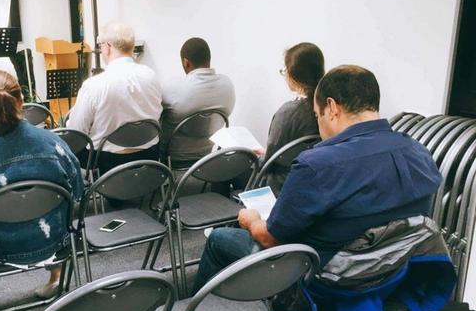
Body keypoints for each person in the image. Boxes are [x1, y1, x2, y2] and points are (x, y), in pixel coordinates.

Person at [194, 65, 442, 291]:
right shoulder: (418, 152)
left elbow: (270, 238)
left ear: (332, 108)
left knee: (219, 238)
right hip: (395, 276)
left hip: (327, 280)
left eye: (317, 116)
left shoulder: (318, 164)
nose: (319, 125)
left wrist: (252, 220)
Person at [0, 70, 84, 311]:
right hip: (51, 241)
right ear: (21, 101)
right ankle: (57, 277)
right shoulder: (55, 144)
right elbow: (78, 192)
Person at [66, 22, 162, 175]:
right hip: (149, 155)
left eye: (101, 45)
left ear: (108, 46)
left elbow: (77, 133)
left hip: (106, 162)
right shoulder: (152, 76)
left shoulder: (93, 85)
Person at [160, 37, 235, 167]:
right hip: (209, 157)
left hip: (176, 159)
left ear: (186, 62)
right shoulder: (227, 85)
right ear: (209, 59)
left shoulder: (173, 88)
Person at [261, 42, 323, 195]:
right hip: (318, 180)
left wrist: (260, 156)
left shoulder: (288, 112)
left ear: (294, 75)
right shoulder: (329, 108)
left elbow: (269, 162)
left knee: (231, 167)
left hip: (283, 184)